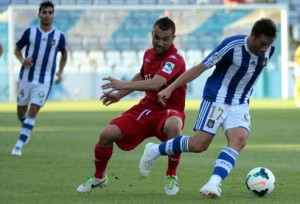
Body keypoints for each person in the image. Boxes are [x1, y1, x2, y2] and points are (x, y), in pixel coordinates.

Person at [139, 18, 277, 199]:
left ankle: (212, 184)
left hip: (240, 103)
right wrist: (170, 88)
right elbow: (199, 69)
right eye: (261, 44)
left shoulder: (269, 50)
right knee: (199, 145)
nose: (264, 49)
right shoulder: (231, 46)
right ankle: (154, 150)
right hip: (216, 99)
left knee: (239, 140)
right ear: (252, 35)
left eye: (268, 45)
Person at [76, 17, 186, 196]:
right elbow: (142, 75)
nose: (160, 42)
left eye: (165, 39)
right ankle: (99, 177)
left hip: (169, 111)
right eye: (156, 37)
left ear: (173, 38)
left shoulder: (175, 60)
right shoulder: (148, 54)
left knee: (174, 125)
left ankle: (171, 175)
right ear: (152, 34)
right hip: (146, 108)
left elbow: (156, 84)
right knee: (106, 135)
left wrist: (123, 85)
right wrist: (119, 96)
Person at [11, 1, 67, 156]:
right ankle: (26, 127)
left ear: (53, 15)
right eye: (44, 12)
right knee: (21, 111)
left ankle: (19, 145)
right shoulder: (29, 32)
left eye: (50, 12)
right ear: (39, 14)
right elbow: (17, 49)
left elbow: (64, 55)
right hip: (26, 78)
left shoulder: (59, 36)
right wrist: (23, 61)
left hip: (45, 80)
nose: (47, 15)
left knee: (34, 109)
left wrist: (60, 72)